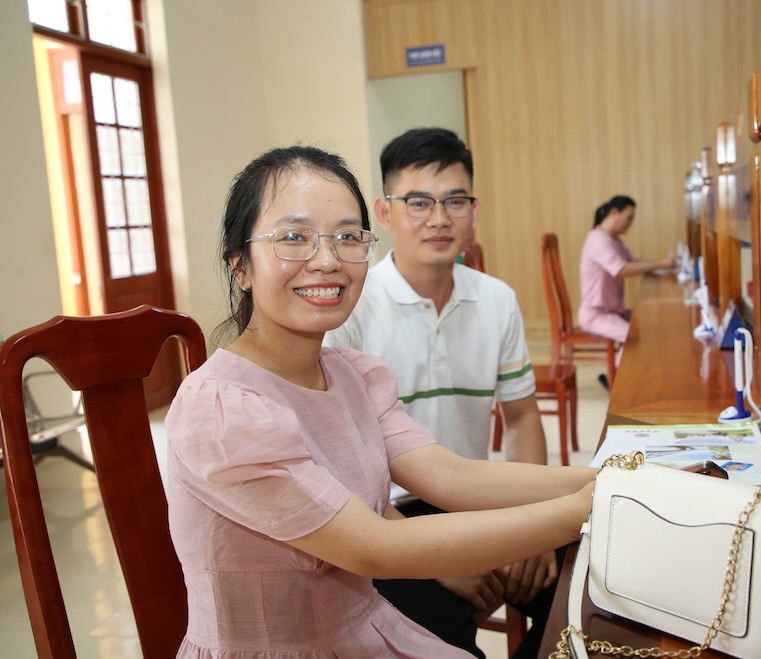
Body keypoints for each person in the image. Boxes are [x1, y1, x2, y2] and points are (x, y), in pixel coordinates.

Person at [165, 145, 596, 658]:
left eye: (347, 237)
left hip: (364, 630)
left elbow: (449, 475)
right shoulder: (223, 408)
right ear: (241, 267)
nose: (326, 260)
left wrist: (606, 480)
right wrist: (582, 510)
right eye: (294, 238)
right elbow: (377, 548)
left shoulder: (352, 376)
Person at [324, 127, 553, 658]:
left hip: (475, 501)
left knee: (587, 586)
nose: (439, 217)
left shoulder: (497, 300)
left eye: (455, 201)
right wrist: (437, 556)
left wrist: (535, 526)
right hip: (387, 516)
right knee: (442, 641)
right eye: (419, 202)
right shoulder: (354, 307)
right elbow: (338, 464)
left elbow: (520, 420)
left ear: (475, 210)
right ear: (384, 214)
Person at [578, 195, 675, 375]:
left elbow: (636, 263)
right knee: (633, 336)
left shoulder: (614, 240)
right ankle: (619, 382)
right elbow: (622, 269)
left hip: (613, 311)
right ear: (615, 213)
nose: (630, 223)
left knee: (648, 321)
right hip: (596, 314)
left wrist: (664, 268)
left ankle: (630, 375)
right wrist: (661, 264)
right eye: (629, 218)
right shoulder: (598, 239)